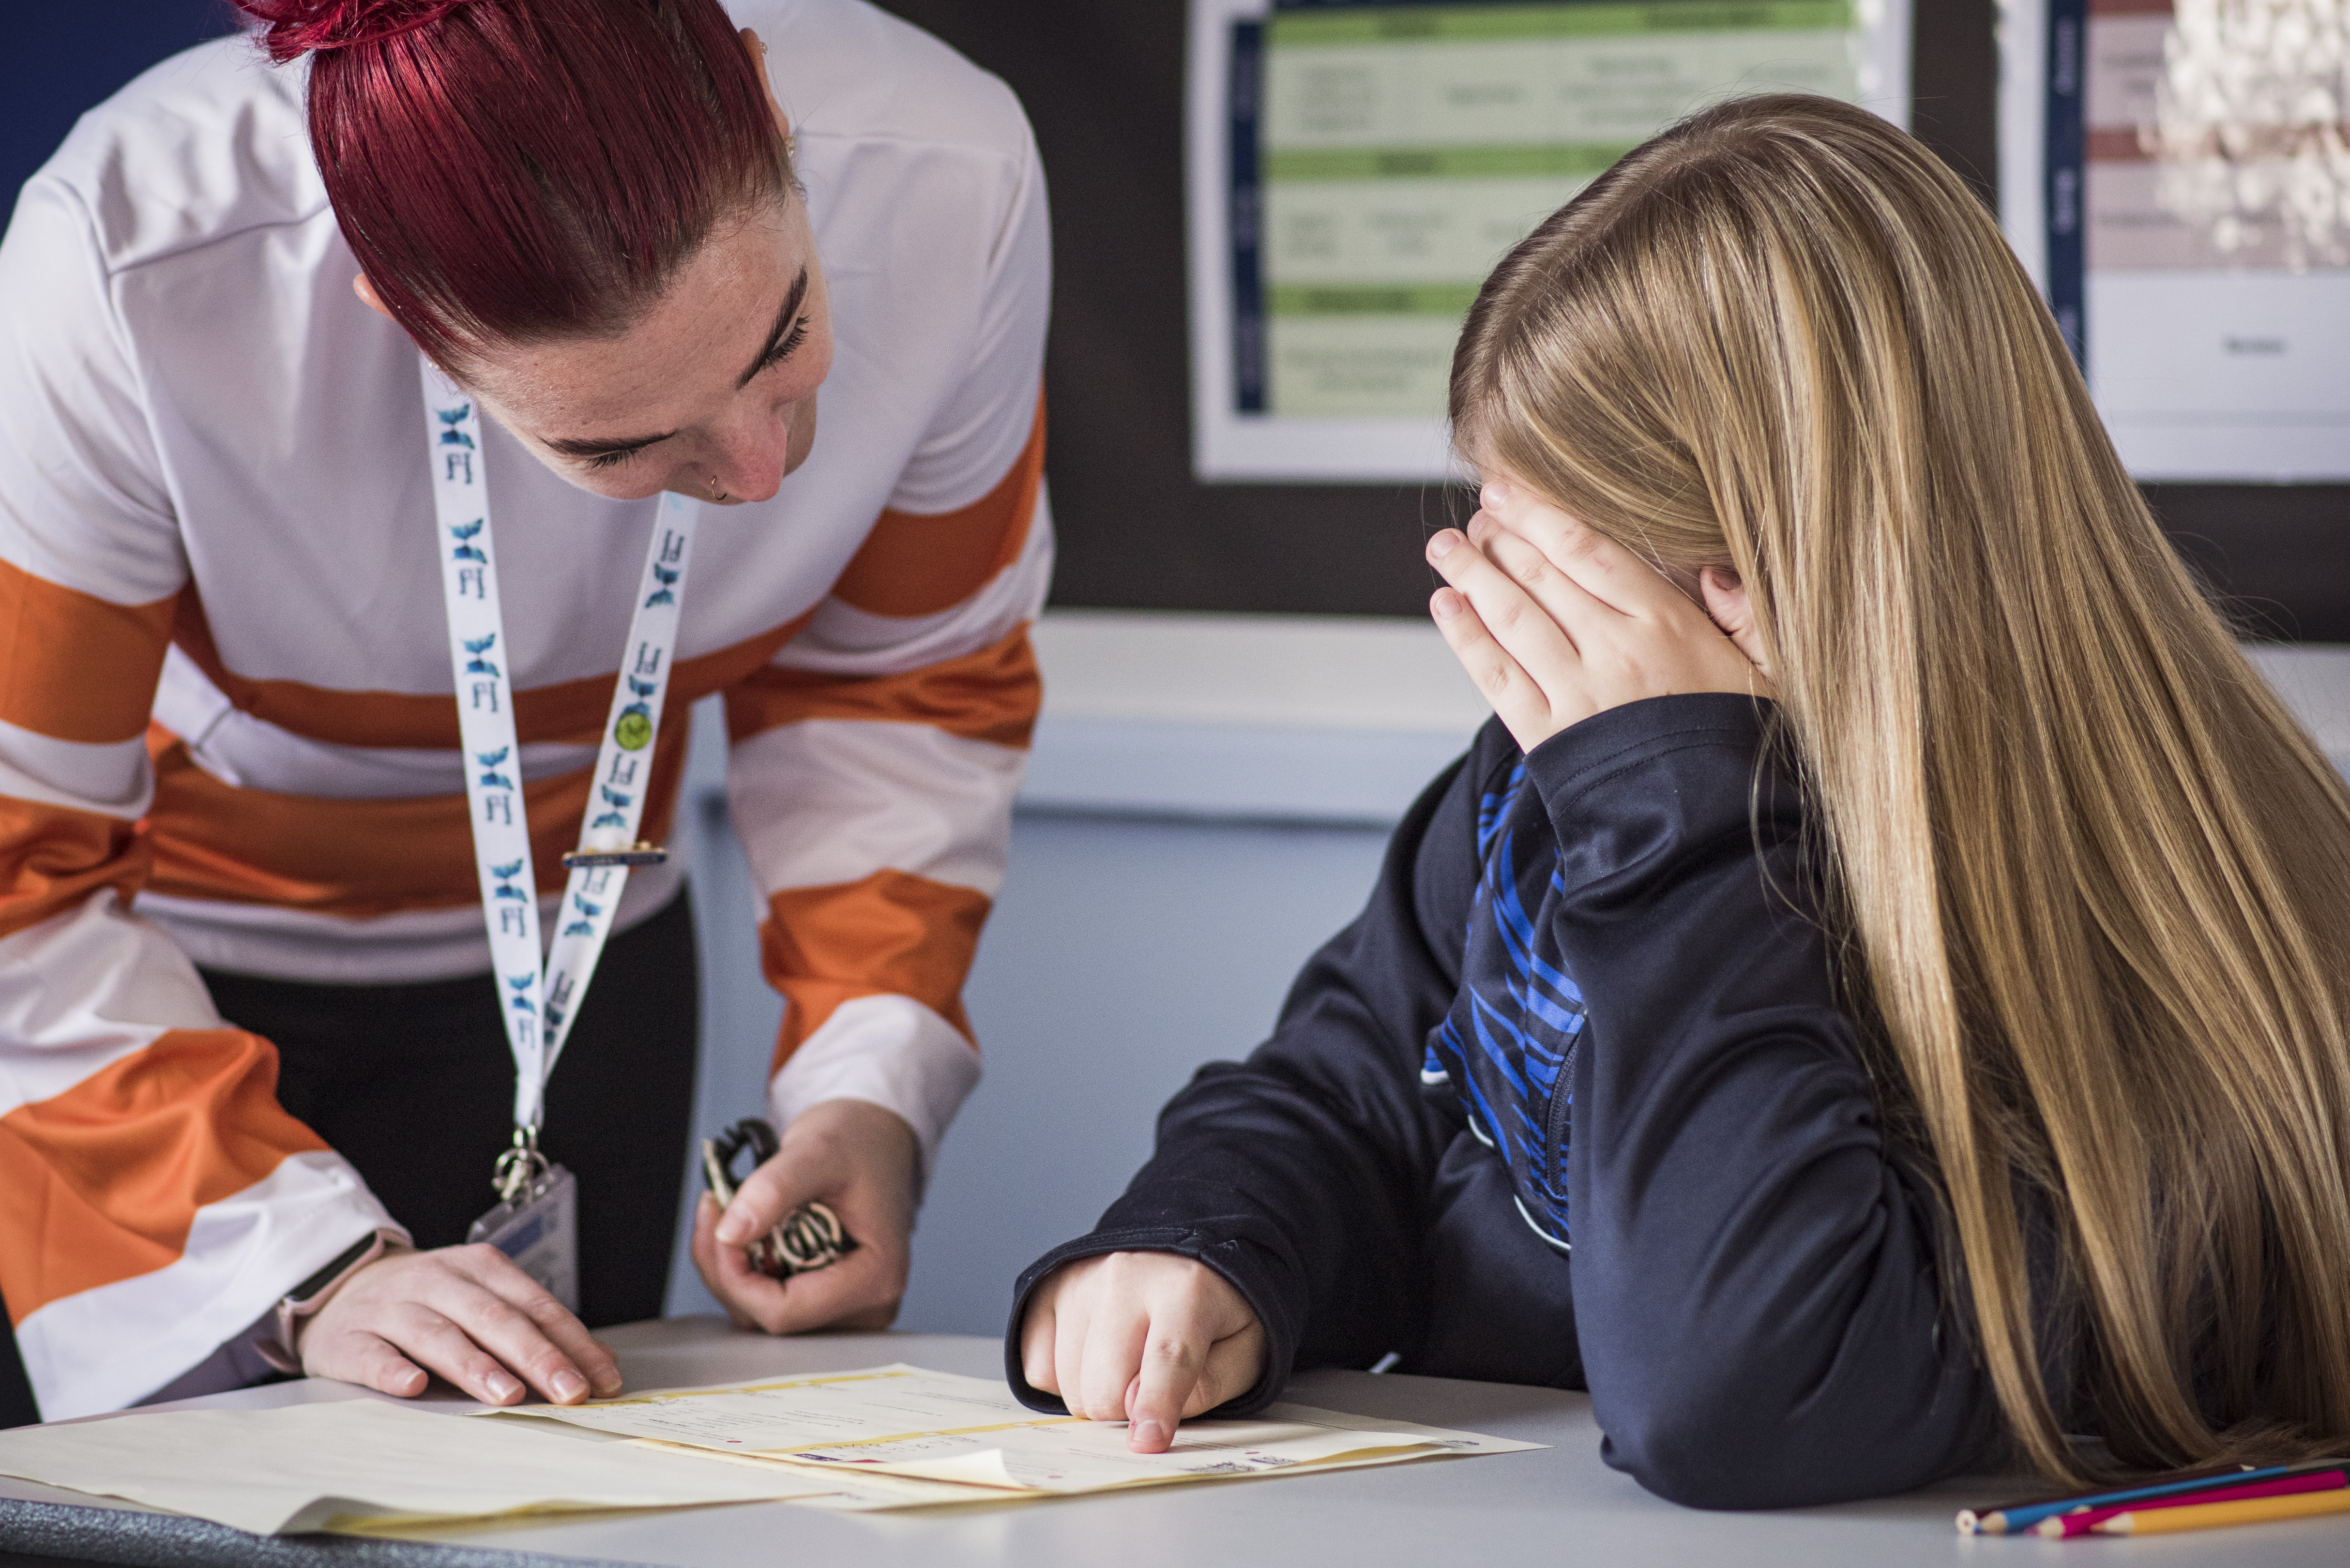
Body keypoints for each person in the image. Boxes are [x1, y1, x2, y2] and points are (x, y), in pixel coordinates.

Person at [1005, 93, 2350, 1508]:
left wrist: (1678, 805)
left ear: (1748, 586)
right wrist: (1204, 1245)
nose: (1502, 622)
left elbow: (1747, 1391)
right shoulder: (1543, 789)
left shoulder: (2152, 951)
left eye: (1549, 576)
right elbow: (1353, 1094)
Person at [0, 0, 1048, 1424]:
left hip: (586, 954)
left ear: (763, 100)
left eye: (784, 332)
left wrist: (868, 1088)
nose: (758, 475)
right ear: (397, 311)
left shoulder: (952, 170)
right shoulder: (123, 262)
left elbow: (896, 690)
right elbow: (19, 881)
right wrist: (300, 1271)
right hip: (133, 1017)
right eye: (620, 440)